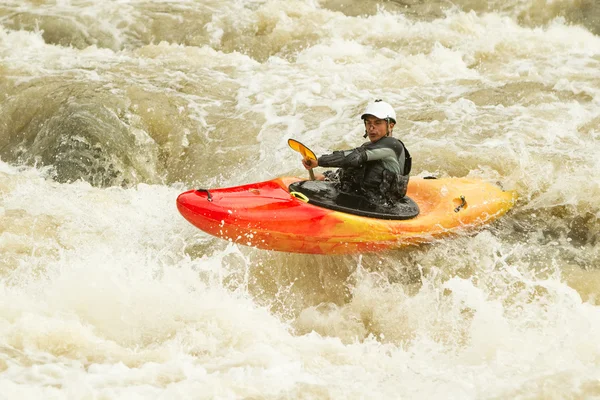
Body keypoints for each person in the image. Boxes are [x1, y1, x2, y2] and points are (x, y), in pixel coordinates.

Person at [302, 100, 412, 207]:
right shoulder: (368, 147)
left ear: (390, 125)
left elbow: (352, 157)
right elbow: (351, 167)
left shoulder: (392, 145)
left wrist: (319, 161)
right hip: (361, 199)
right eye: (368, 122)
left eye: (377, 123)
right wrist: (326, 177)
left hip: (382, 206)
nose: (371, 127)